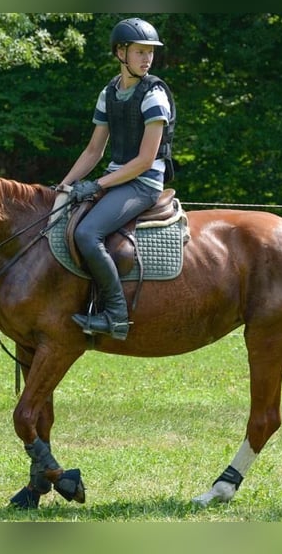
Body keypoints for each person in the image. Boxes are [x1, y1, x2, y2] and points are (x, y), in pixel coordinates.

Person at [57, 17, 176, 341]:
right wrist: (65, 185)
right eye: (140, 51)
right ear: (120, 52)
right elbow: (94, 150)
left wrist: (97, 185)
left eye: (150, 52)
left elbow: (145, 160)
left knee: (87, 233)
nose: (147, 58)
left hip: (144, 183)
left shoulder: (154, 96)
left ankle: (116, 316)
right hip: (116, 178)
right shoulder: (108, 93)